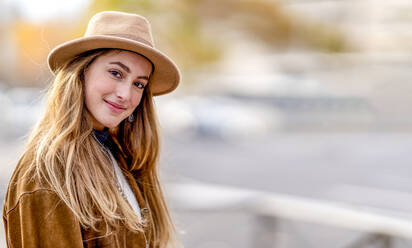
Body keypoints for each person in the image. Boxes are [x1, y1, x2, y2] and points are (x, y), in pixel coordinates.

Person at [2, 11, 181, 248]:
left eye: (138, 84)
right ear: (81, 71)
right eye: (116, 73)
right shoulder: (48, 172)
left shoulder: (120, 156)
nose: (125, 94)